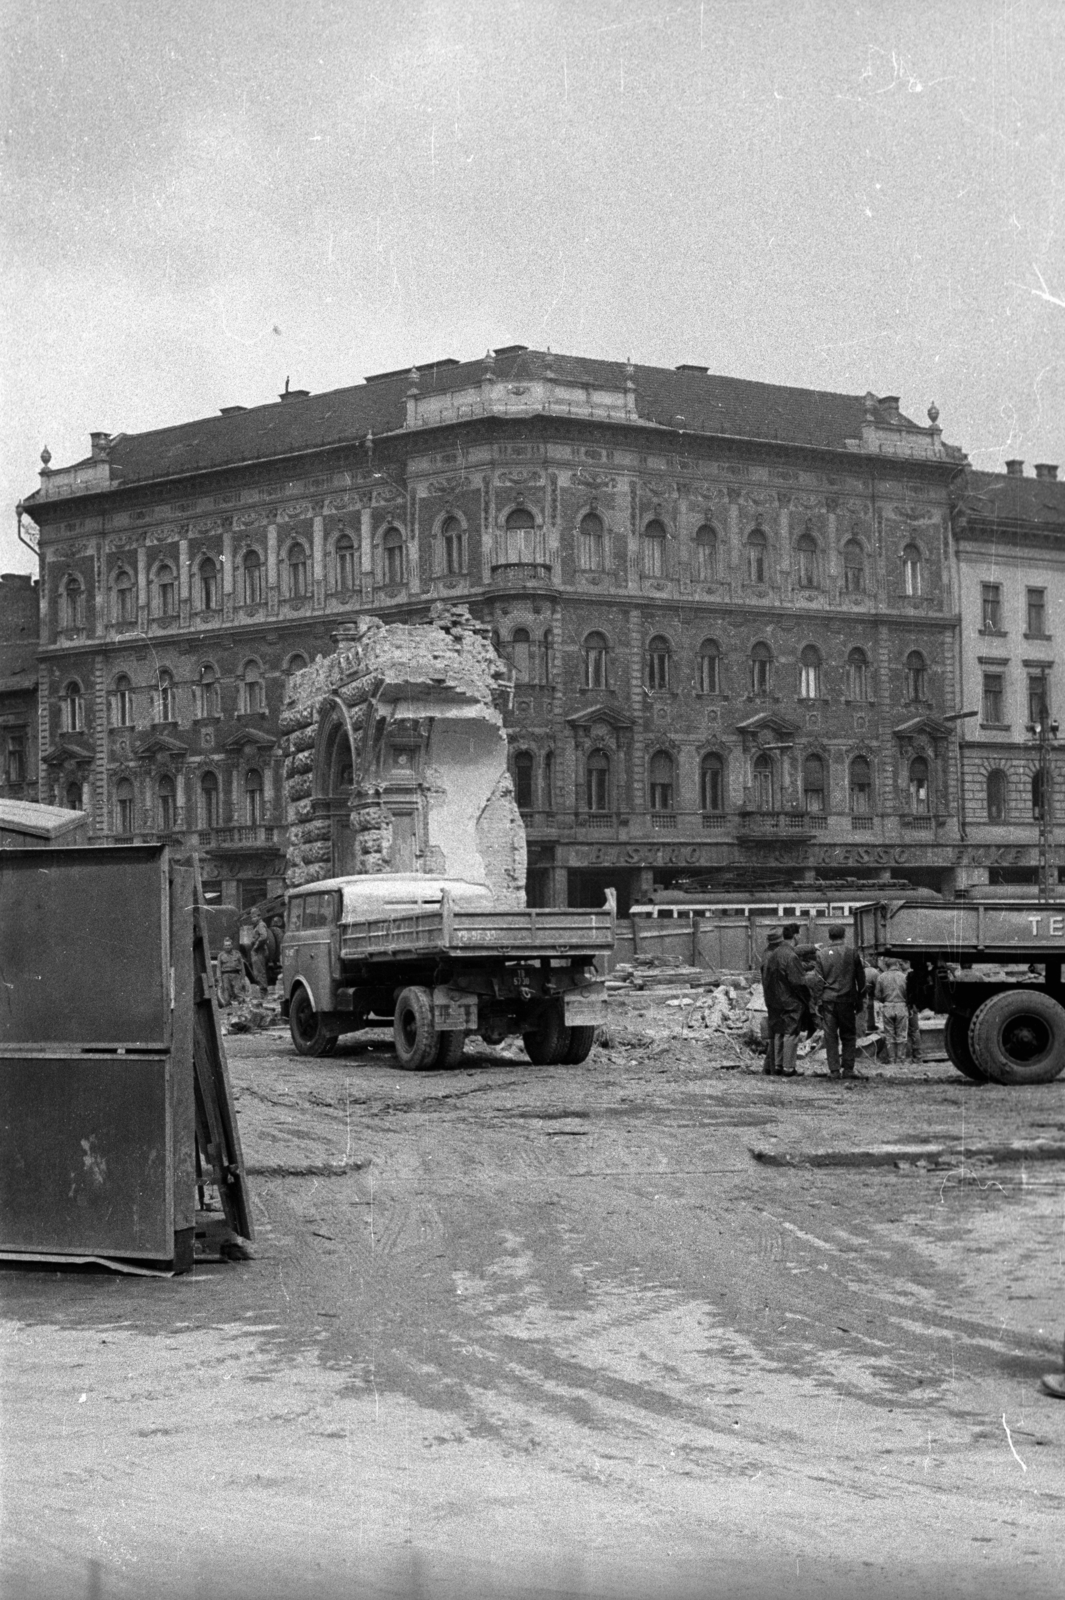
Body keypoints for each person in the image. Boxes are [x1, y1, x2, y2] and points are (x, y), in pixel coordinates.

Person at [816, 923, 866, 1079]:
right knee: (849, 1035)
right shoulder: (852, 953)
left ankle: (834, 1070)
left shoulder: (821, 955)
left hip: (828, 1001)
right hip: (847, 1001)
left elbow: (818, 981)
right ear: (844, 936)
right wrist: (860, 999)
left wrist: (817, 1001)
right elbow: (861, 980)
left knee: (830, 1036)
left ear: (829, 937)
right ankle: (848, 1068)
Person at [762, 921, 809, 1078]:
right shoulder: (791, 956)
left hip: (773, 1000)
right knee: (791, 1033)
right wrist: (806, 999)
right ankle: (789, 1068)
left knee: (779, 1033)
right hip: (789, 1001)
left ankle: (778, 1065)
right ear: (795, 936)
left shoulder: (772, 954)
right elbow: (798, 982)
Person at [875, 958, 910, 1062]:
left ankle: (891, 1059)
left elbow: (877, 994)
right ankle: (901, 1059)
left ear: (886, 966)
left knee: (889, 1035)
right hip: (901, 1005)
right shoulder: (904, 977)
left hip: (888, 1006)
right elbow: (909, 994)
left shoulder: (881, 977)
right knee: (902, 1034)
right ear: (897, 965)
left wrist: (885, 1000)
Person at [760, 928, 783, 1074]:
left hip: (771, 998)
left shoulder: (767, 954)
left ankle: (768, 1067)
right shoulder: (772, 957)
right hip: (776, 998)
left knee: (775, 1033)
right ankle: (774, 1067)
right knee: (778, 1033)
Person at [216, 936, 246, 1008]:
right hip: (225, 976)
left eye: (229, 945)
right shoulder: (220, 956)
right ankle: (228, 1009)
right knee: (226, 994)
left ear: (232, 945)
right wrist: (220, 981)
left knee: (238, 992)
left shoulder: (237, 954)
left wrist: (243, 979)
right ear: (223, 946)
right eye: (226, 945)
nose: (227, 947)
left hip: (236, 975)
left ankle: (242, 1007)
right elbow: (218, 969)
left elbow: (242, 968)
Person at [250, 914, 271, 1000]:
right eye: (252, 917)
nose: (253, 919)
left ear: (259, 917)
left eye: (254, 917)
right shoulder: (257, 926)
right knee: (257, 972)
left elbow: (264, 936)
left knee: (260, 972)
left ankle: (264, 993)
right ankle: (262, 992)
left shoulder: (261, 925)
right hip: (258, 951)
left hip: (259, 951)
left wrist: (256, 946)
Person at [905, 965, 923, 1062]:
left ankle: (914, 1056)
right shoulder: (914, 975)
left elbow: (909, 991)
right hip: (914, 1005)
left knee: (911, 1031)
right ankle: (918, 1056)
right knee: (915, 1031)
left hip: (911, 1005)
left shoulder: (910, 975)